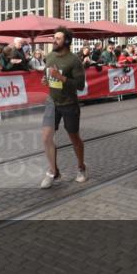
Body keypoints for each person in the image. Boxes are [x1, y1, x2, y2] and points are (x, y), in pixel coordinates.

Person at [40, 27, 87, 189]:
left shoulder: (74, 61)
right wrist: (45, 80)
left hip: (69, 103)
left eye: (58, 38)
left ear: (66, 41)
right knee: (46, 137)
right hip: (52, 101)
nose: (54, 40)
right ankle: (54, 172)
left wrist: (61, 77)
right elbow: (47, 75)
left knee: (74, 137)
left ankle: (81, 167)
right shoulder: (50, 56)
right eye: (54, 38)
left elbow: (80, 86)